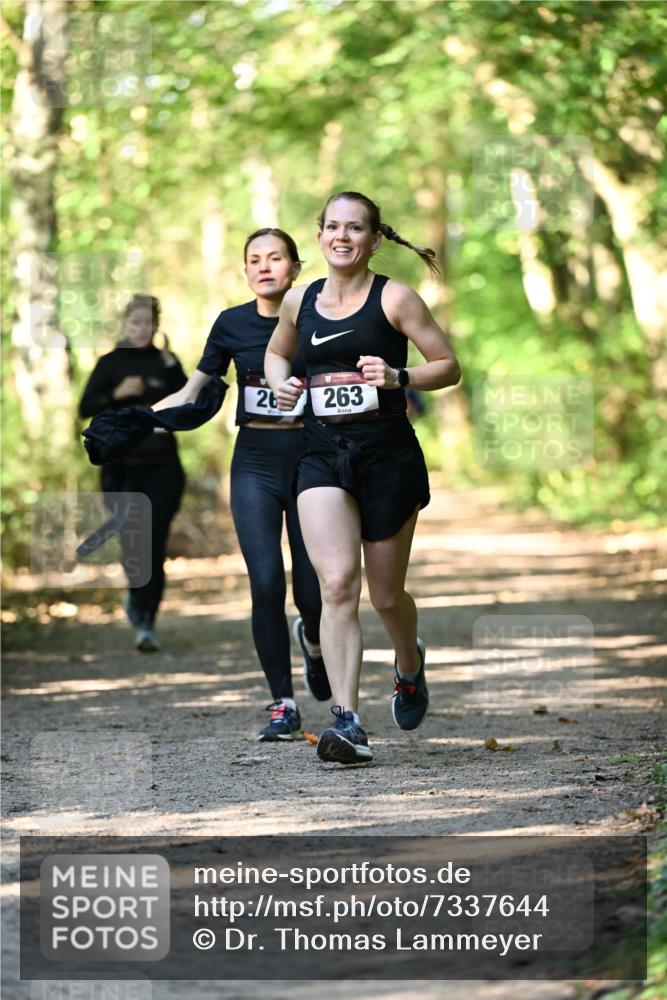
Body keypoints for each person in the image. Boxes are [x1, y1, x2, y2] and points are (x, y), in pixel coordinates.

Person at [265, 191, 461, 765]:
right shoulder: (300, 302)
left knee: (385, 594)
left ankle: (408, 664)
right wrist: (281, 383)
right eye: (331, 227)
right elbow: (279, 355)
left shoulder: (395, 297)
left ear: (375, 239)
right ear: (320, 236)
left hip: (387, 457)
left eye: (355, 228)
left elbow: (448, 366)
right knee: (336, 586)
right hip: (323, 455)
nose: (342, 237)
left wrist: (400, 375)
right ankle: (347, 722)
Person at [152, 229, 329, 741]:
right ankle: (283, 703)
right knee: (267, 583)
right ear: (245, 270)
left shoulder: (318, 315)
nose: (265, 266)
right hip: (253, 462)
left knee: (313, 592)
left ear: (296, 267)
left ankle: (315, 647)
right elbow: (193, 389)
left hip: (312, 463)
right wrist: (141, 418)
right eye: (255, 259)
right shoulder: (230, 324)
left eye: (276, 258)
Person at [79, 294, 188, 652]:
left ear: (158, 325)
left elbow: (189, 406)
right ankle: (137, 598)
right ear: (125, 324)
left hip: (163, 469)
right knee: (133, 543)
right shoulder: (110, 363)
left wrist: (172, 366)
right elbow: (86, 408)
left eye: (149, 322)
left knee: (153, 543)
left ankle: (146, 621)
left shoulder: (166, 363)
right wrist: (117, 393)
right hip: (121, 470)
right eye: (136, 322)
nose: (143, 329)